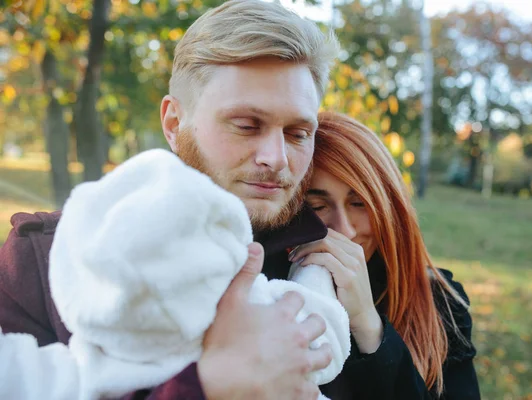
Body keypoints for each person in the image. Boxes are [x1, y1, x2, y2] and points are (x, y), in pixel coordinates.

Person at [0, 0, 339, 398]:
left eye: (298, 134)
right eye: (247, 126)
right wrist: (206, 387)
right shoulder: (45, 261)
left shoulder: (333, 265)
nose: (277, 158)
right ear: (175, 124)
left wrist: (375, 345)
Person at [287, 111, 481, 399]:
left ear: (388, 205)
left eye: (359, 203)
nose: (346, 231)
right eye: (317, 206)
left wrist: (368, 324)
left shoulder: (440, 305)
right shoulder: (275, 294)